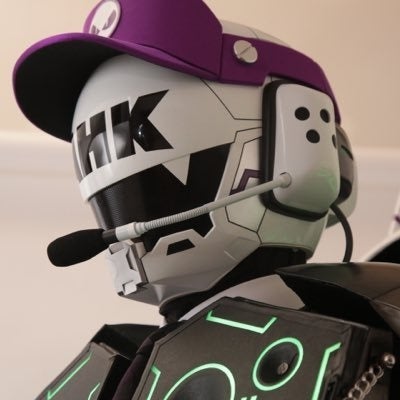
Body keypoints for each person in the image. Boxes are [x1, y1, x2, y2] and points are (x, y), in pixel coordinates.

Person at [13, 0, 399, 398]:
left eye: (160, 178)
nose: (124, 215)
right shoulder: (118, 370)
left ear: (303, 151)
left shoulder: (373, 327)